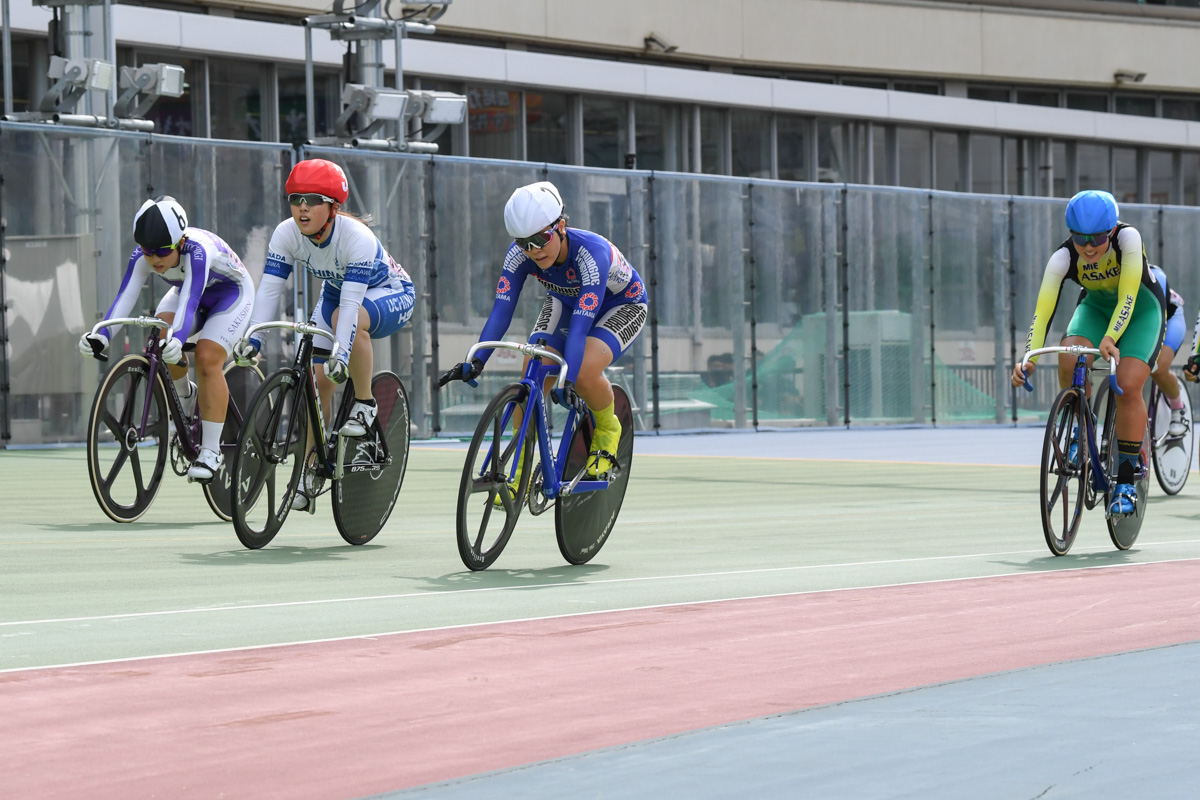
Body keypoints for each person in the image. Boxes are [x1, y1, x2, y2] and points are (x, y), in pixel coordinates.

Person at [439, 180, 648, 495]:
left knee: (585, 371)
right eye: (524, 242)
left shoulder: (592, 254)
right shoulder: (519, 256)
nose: (533, 250)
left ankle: (607, 427)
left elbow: (579, 329)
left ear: (561, 226)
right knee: (531, 374)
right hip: (566, 301)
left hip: (621, 305)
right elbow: (501, 312)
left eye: (541, 238)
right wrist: (476, 360)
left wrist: (568, 381)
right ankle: (520, 471)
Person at [233, 158, 415, 511]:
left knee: (349, 323)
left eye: (313, 199)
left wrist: (341, 356)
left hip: (389, 292)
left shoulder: (356, 238)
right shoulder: (286, 234)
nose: (302, 207)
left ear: (333, 207)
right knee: (315, 388)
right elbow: (270, 289)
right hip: (336, 294)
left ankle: (364, 403)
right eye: (296, 198)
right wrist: (253, 338)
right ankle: (311, 468)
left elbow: (349, 307)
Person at [78, 196, 255, 483]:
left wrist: (181, 336)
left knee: (207, 358)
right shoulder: (143, 256)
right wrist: (101, 335)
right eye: (148, 252)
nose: (154, 259)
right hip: (188, 292)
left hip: (230, 294)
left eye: (162, 251)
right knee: (161, 337)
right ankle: (187, 396)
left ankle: (211, 450)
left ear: (180, 242)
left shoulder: (197, 251)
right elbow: (125, 297)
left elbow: (190, 298)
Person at [1011, 189, 1165, 516]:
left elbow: (1128, 297)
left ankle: (1126, 478)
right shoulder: (1063, 258)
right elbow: (1043, 312)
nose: (1089, 246)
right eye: (1080, 238)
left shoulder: (1129, 239)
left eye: (1096, 237)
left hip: (1140, 311)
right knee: (1068, 356)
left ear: (1110, 231)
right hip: (1095, 308)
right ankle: (1084, 422)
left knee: (1127, 383)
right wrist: (1030, 357)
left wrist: (1111, 338)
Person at [1148, 266, 1190, 438]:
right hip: (1146, 317)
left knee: (1158, 368)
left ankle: (1178, 409)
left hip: (1170, 317)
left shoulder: (1154, 276)